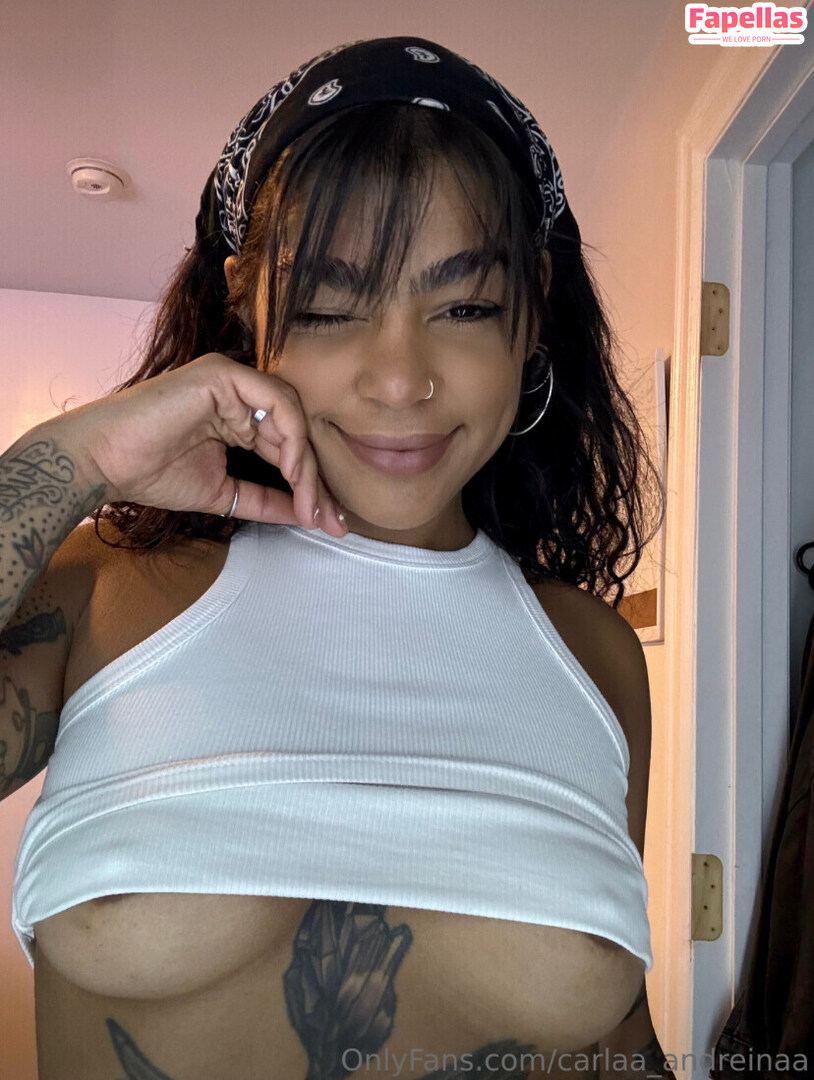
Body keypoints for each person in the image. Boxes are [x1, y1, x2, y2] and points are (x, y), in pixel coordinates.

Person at [0, 36, 670, 1080]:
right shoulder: (105, 595)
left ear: (533, 307)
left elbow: (620, 1045)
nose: (399, 381)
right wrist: (75, 459)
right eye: (326, 306)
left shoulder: (595, 656)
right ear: (248, 306)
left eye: (463, 306)